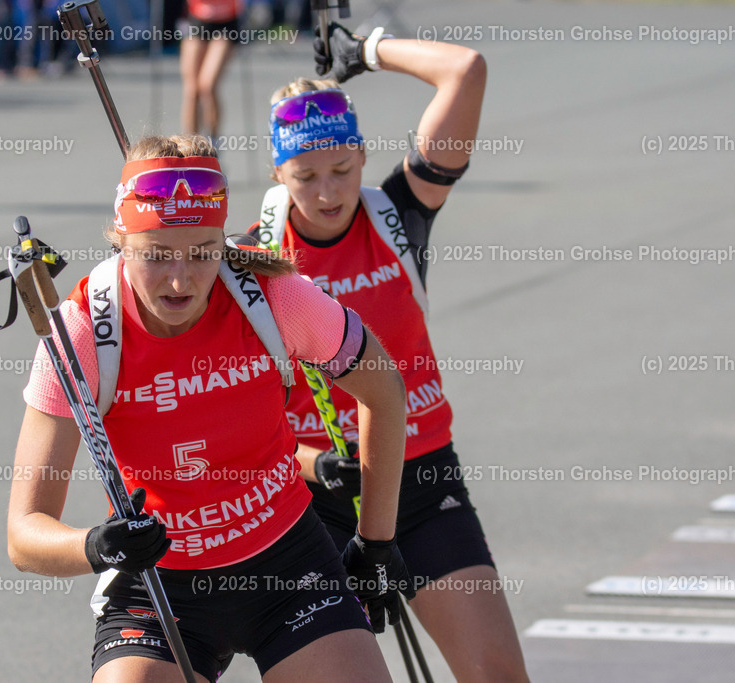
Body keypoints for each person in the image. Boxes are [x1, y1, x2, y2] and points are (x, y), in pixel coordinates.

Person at [8, 134, 413, 682]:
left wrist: (376, 542)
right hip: (160, 583)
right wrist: (97, 547)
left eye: (202, 252)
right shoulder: (83, 333)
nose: (181, 279)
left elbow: (384, 391)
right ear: (120, 242)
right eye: (155, 256)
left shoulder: (273, 297)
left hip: (287, 567)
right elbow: (24, 534)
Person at [247, 23, 530, 682]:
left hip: (421, 478)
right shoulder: (252, 257)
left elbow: (465, 69)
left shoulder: (400, 213)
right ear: (276, 173)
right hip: (315, 499)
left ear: (363, 156)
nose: (326, 192)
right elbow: (238, 417)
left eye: (342, 169)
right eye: (304, 175)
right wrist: (315, 464)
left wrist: (367, 51)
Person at [180, 0, 240, 142]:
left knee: (207, 86)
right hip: (197, 20)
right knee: (192, 89)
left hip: (225, 23)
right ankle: (190, 147)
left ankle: (213, 145)